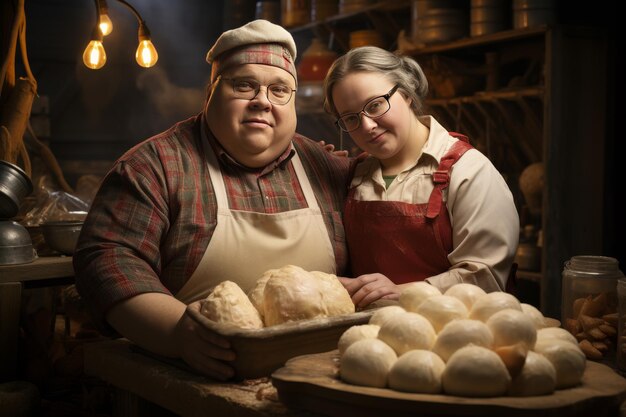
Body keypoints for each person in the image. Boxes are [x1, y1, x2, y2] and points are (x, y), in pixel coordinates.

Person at [73, 20, 353, 380]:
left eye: (279, 90)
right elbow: (108, 261)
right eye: (244, 85)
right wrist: (177, 333)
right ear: (210, 93)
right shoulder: (153, 167)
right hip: (199, 375)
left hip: (323, 375)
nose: (262, 102)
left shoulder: (327, 167)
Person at [323, 46, 519, 309]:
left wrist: (403, 293)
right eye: (350, 118)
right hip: (367, 335)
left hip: (453, 334)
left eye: (375, 105)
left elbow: (487, 277)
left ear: (405, 94)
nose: (367, 125)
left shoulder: (468, 171)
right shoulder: (353, 176)